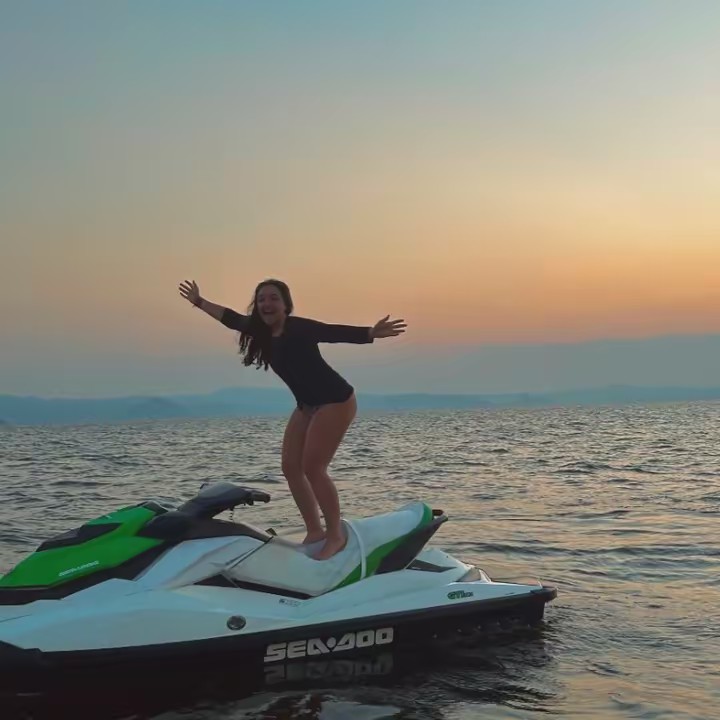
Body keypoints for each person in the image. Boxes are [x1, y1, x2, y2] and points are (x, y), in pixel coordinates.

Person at [178, 278, 406, 560]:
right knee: (290, 467)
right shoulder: (258, 330)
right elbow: (230, 318)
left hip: (335, 401)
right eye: (261, 299)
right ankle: (315, 531)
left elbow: (331, 331)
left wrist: (370, 332)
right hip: (306, 405)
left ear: (286, 305)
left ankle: (335, 535)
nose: (267, 303)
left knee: (313, 468)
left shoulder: (299, 328)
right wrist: (199, 302)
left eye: (274, 298)